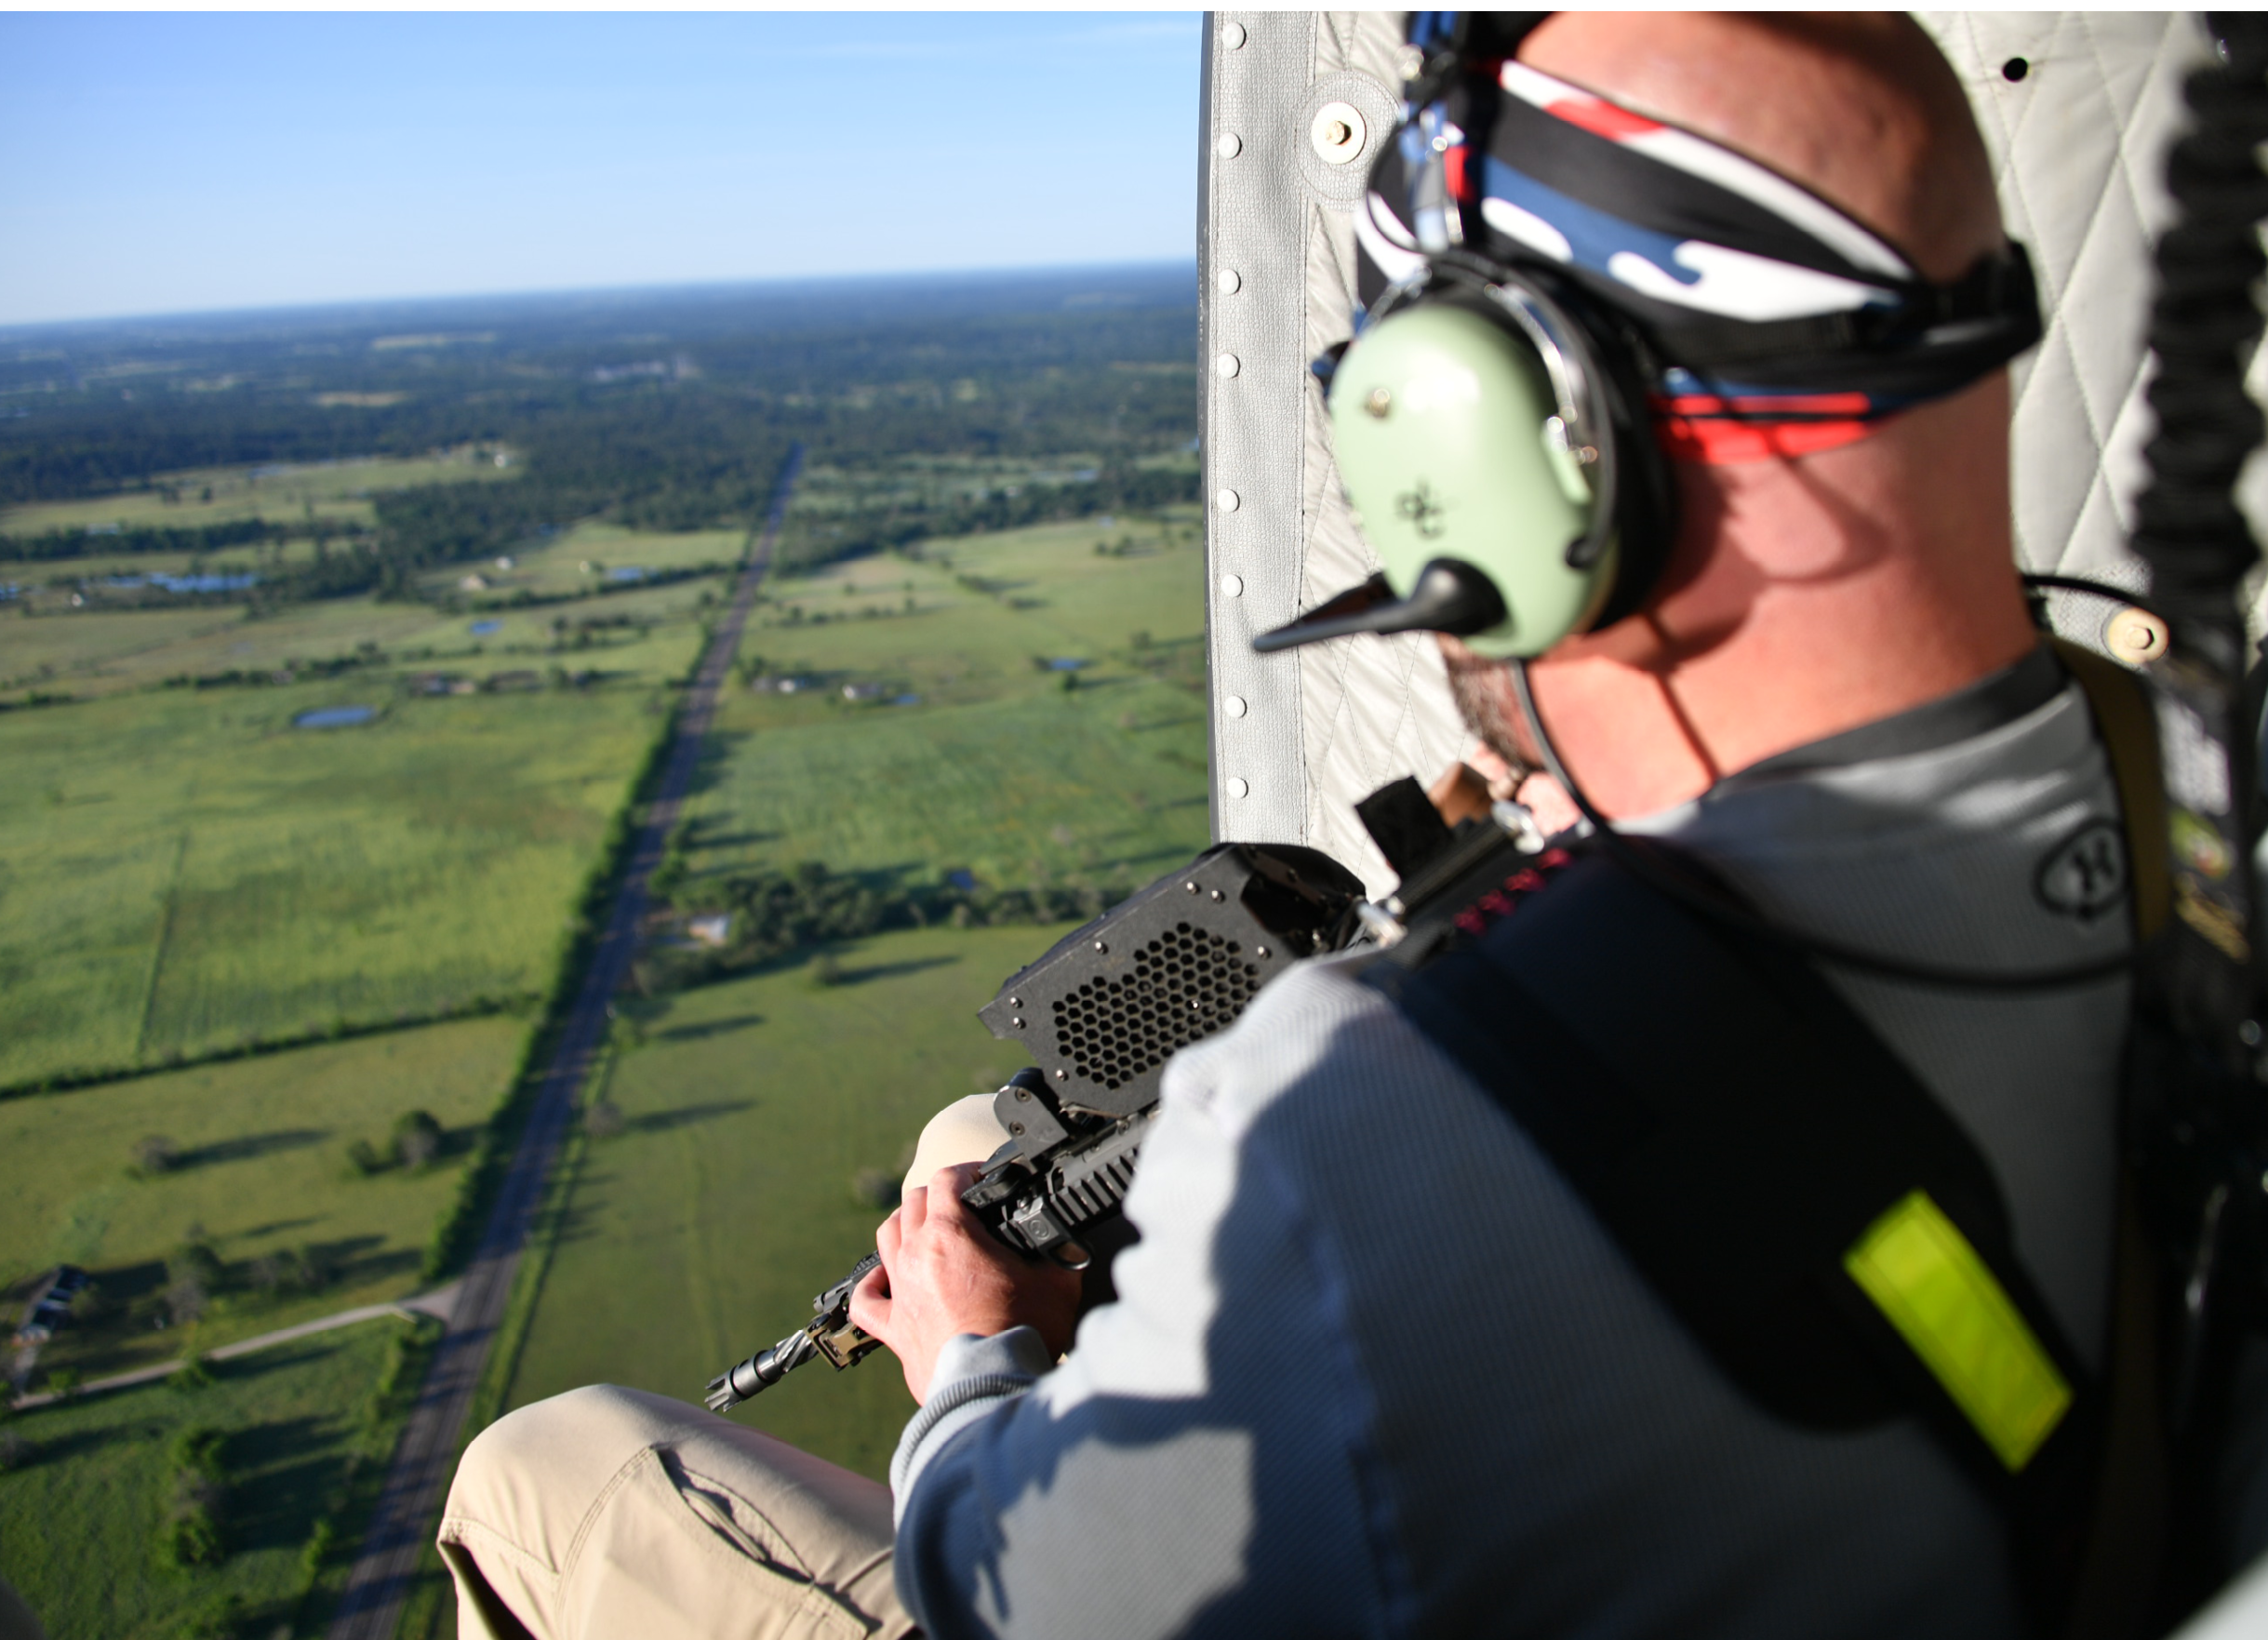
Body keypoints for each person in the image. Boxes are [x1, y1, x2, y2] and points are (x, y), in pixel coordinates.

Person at [436, 14, 2168, 1636]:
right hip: (1967, 1476)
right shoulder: (2159, 778)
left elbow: (1019, 1591)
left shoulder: (1386, 1116)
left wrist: (970, 1370)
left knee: (545, 1469)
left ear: (1506, 446)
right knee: (989, 1147)